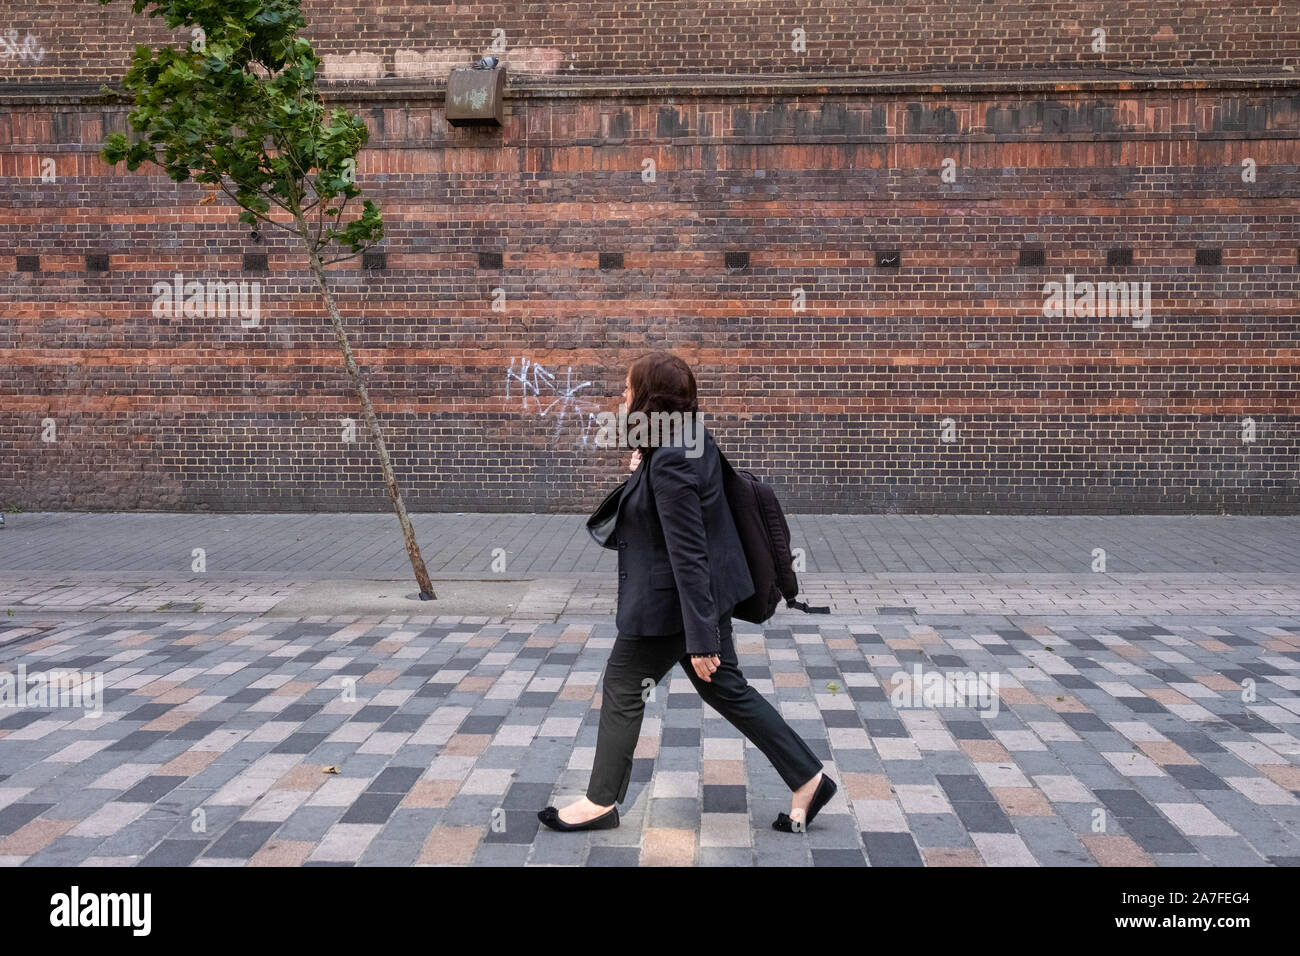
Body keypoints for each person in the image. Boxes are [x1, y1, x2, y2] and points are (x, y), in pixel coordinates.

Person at [538, 351, 836, 833]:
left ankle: (600, 802)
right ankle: (808, 778)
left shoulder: (671, 459)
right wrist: (643, 462)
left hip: (672, 605)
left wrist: (702, 639)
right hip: (701, 600)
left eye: (629, 389)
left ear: (649, 398)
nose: (622, 395)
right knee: (727, 690)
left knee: (622, 685)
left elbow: (689, 551)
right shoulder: (689, 438)